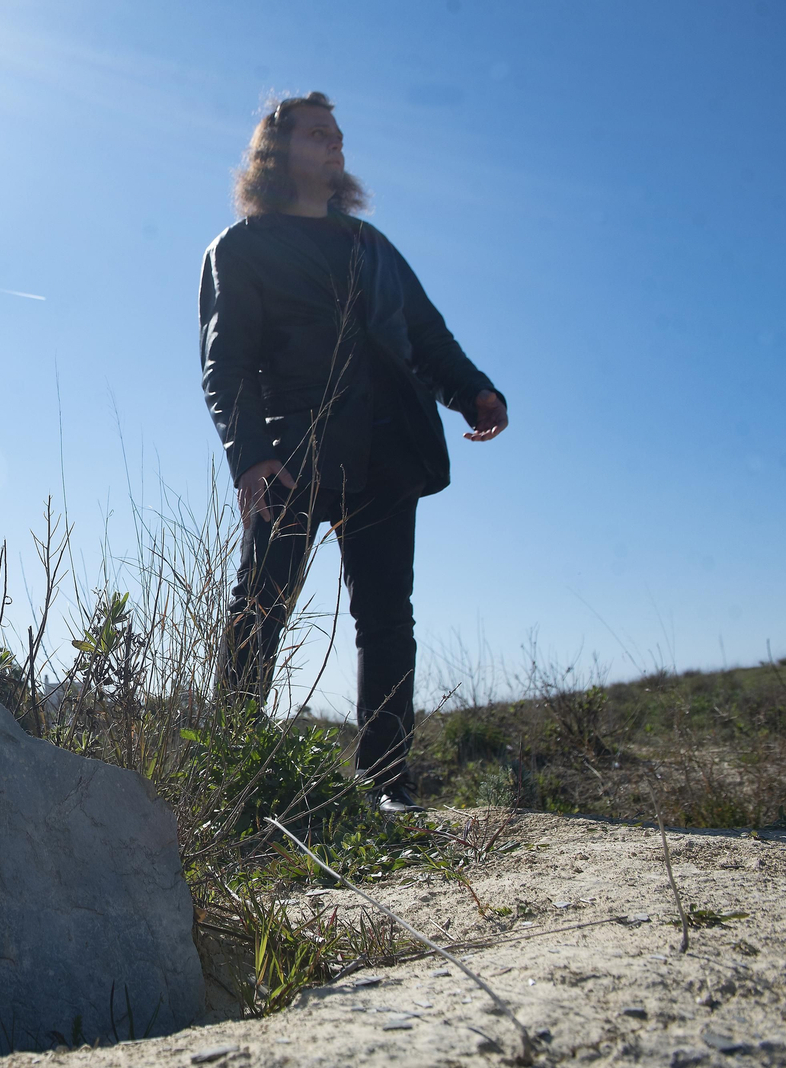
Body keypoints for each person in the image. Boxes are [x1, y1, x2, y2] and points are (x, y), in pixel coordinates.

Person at [198, 91, 508, 814]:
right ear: (275, 152)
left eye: (337, 134)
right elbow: (226, 364)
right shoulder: (241, 248)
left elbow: (424, 335)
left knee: (386, 615)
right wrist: (248, 456)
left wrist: (473, 391)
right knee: (261, 609)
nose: (335, 144)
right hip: (292, 451)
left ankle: (386, 784)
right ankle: (232, 781)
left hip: (387, 449)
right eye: (317, 133)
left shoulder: (371, 244)